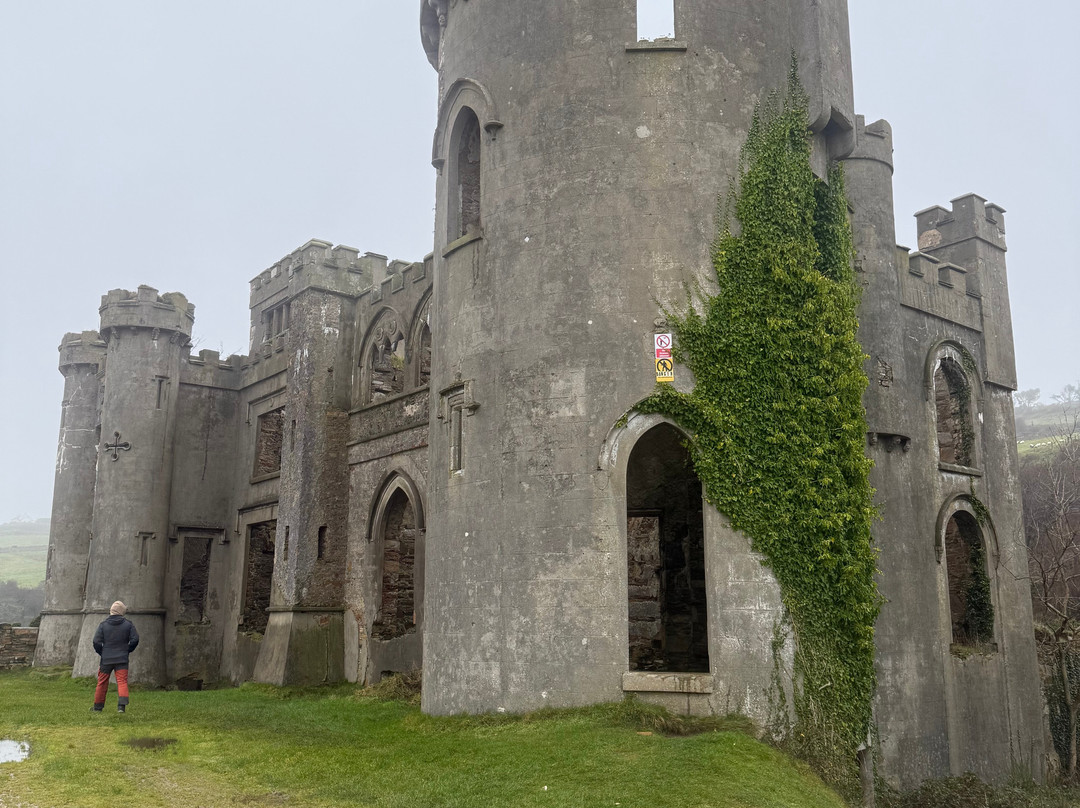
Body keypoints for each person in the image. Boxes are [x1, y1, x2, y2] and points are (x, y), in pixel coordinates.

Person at [91, 601, 139, 713]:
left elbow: (96, 641)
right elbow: (135, 639)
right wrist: (128, 649)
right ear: (122, 611)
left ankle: (98, 708)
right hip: (122, 658)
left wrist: (102, 652)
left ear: (111, 611)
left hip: (106, 658)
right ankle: (121, 707)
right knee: (122, 681)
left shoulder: (103, 625)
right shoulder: (128, 624)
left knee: (102, 682)